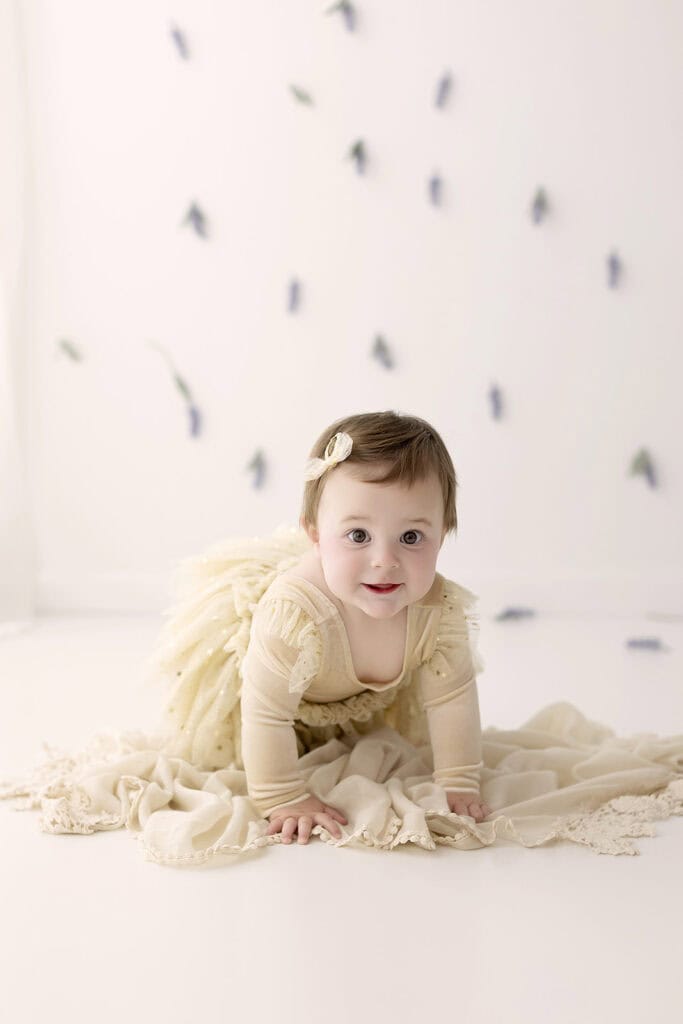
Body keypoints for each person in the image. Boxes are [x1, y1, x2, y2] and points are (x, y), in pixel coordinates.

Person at [238, 411, 493, 844]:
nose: (384, 560)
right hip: (268, 694)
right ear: (316, 535)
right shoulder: (295, 614)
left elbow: (451, 698)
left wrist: (458, 780)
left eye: (411, 538)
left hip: (351, 702)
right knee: (249, 732)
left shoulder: (437, 611)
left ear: (443, 534)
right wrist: (281, 795)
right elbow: (265, 711)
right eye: (358, 535)